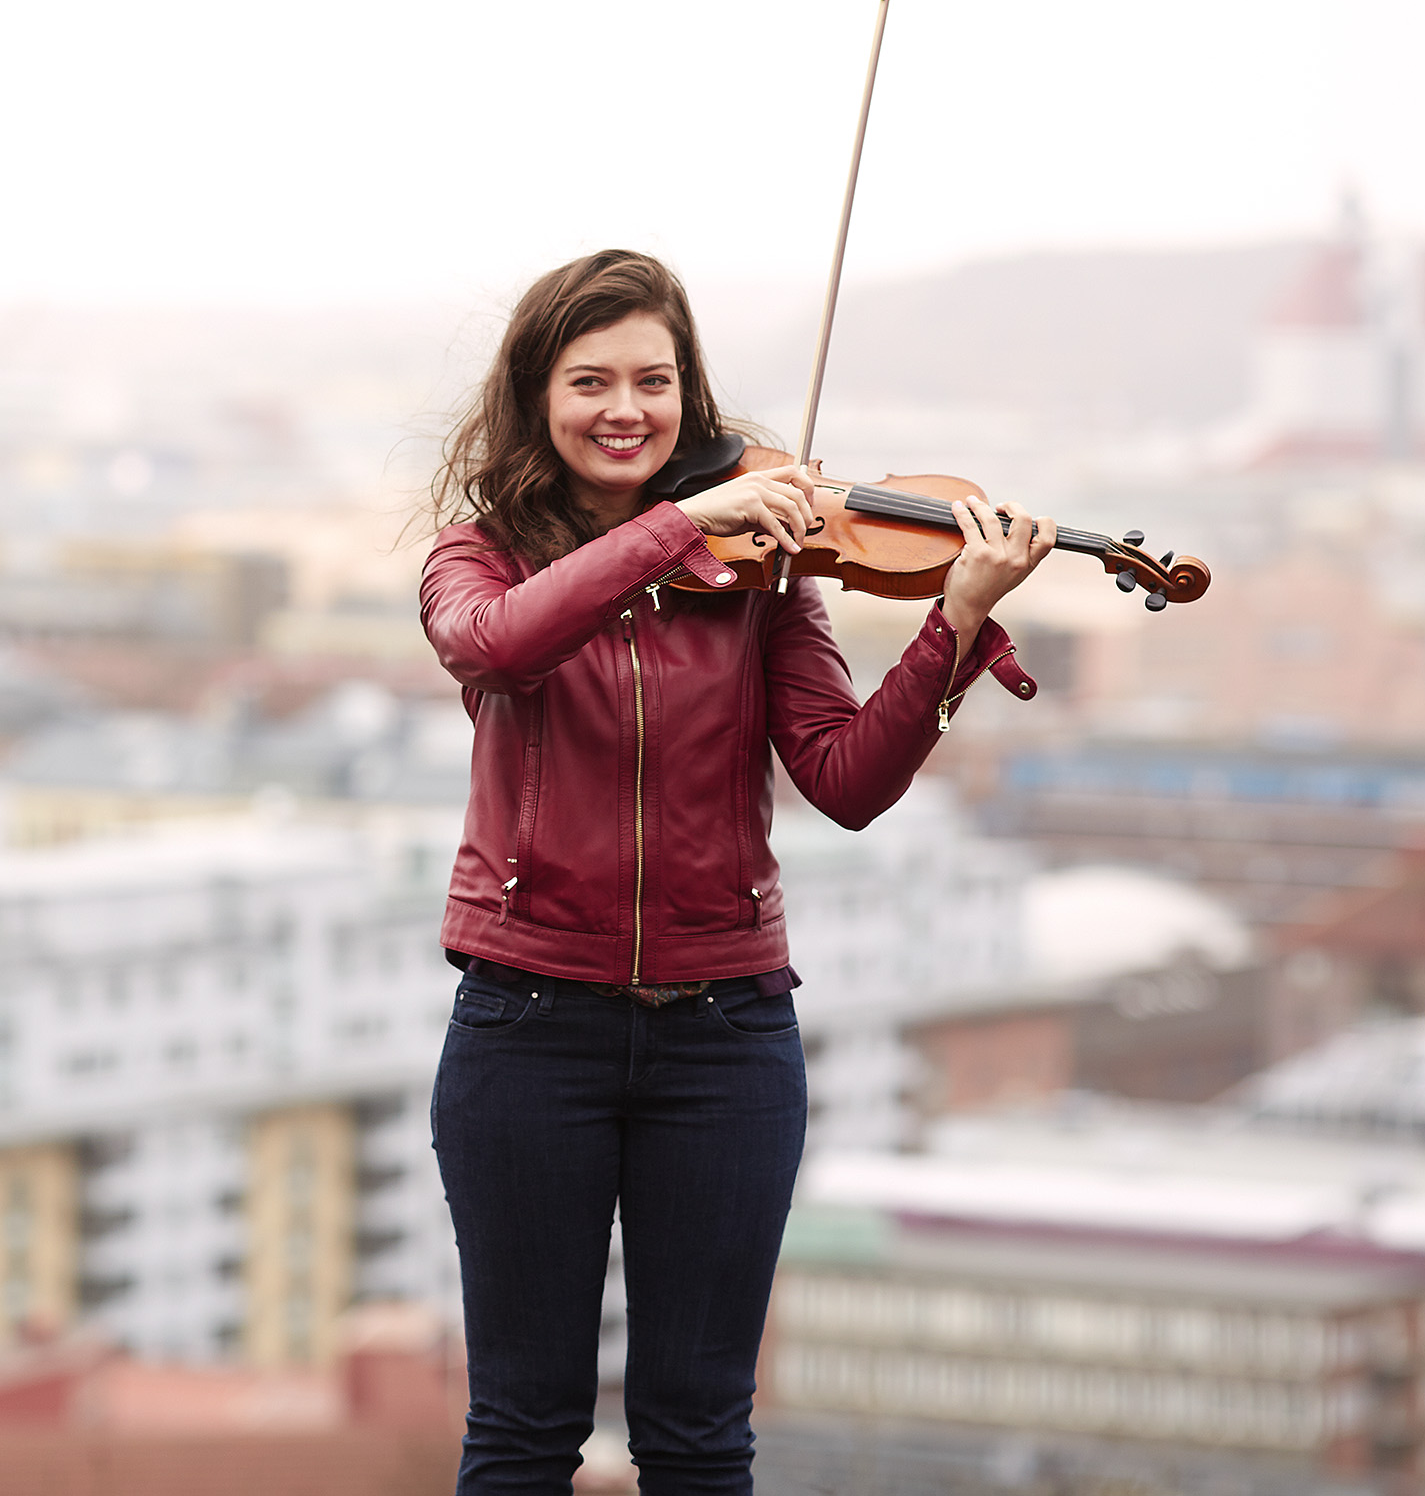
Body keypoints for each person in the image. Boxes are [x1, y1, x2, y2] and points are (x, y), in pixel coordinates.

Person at [420, 250, 1054, 1496]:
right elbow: (493, 651)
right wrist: (676, 529)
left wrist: (957, 625)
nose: (626, 410)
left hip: (727, 1035)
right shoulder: (480, 556)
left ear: (687, 393)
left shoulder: (764, 576)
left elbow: (844, 782)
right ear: (536, 398)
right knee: (523, 1430)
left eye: (653, 381)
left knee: (701, 1435)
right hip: (527, 1022)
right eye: (590, 381)